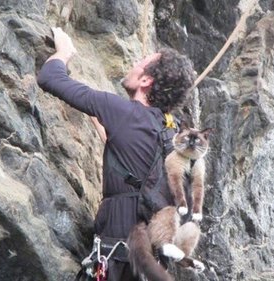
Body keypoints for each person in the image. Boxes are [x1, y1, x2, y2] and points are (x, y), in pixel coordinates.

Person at [37, 27, 195, 281]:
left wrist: (64, 51)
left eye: (140, 63)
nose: (134, 63)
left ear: (146, 81)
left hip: (116, 260)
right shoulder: (172, 133)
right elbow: (134, 161)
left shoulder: (122, 112)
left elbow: (50, 78)